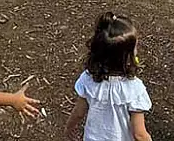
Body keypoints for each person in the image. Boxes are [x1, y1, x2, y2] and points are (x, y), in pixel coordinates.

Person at [64, 12, 152, 141]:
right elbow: (139, 134)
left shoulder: (88, 79)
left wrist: (69, 127)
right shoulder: (134, 89)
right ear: (127, 57)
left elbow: (78, 113)